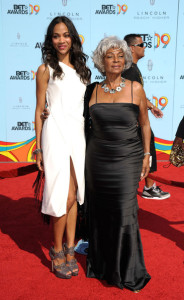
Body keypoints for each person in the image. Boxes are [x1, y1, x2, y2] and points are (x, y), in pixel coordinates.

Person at [84, 36, 151, 292]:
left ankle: (127, 270)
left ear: (126, 60)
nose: (115, 60)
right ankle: (101, 265)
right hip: (97, 160)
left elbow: (145, 124)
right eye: (110, 56)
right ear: (102, 60)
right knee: (100, 213)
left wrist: (147, 155)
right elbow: (78, 120)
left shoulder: (136, 89)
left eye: (120, 55)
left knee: (124, 211)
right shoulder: (92, 91)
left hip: (127, 158)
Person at [34, 16, 91, 279]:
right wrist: (38, 148)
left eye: (66, 35)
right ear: (50, 40)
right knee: (62, 195)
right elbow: (38, 110)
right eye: (56, 36)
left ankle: (70, 247)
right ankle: (57, 250)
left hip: (77, 133)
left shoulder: (82, 70)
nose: (61, 40)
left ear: (73, 37)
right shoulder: (45, 68)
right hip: (54, 131)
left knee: (74, 194)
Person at [123, 34, 170, 200]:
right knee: (145, 148)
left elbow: (139, 94)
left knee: (146, 145)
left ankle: (149, 186)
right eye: (141, 44)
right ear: (131, 48)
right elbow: (130, 97)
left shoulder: (133, 68)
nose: (145, 47)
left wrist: (152, 106)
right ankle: (148, 188)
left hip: (137, 120)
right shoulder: (129, 69)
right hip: (134, 122)